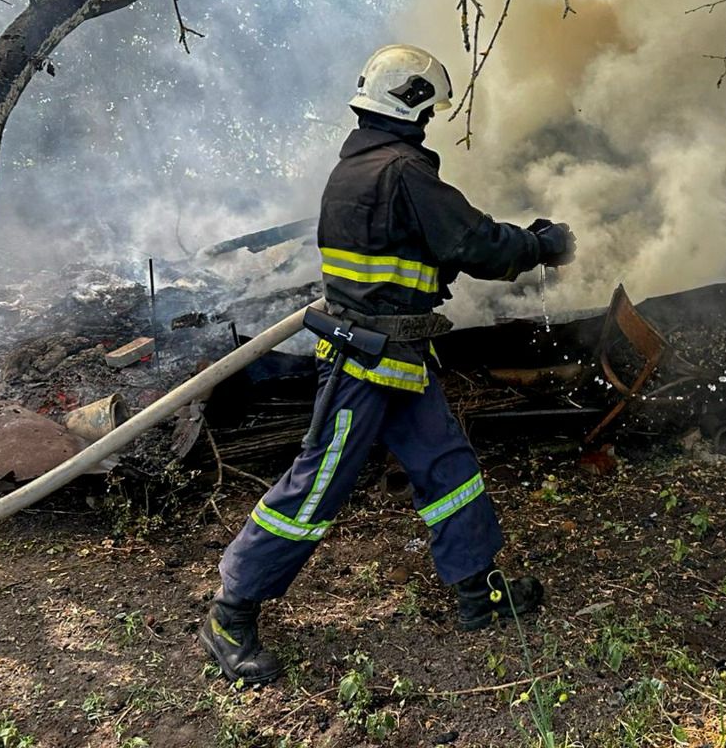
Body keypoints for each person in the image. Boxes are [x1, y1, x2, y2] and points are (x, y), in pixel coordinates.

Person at [198, 44, 576, 683]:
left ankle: (477, 590)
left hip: (395, 354)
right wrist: (539, 245)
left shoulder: (354, 170)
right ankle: (229, 611)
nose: (432, 121)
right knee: (318, 484)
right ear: (414, 102)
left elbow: (410, 253)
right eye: (430, 109)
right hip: (364, 365)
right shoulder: (402, 171)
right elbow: (473, 241)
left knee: (447, 466)